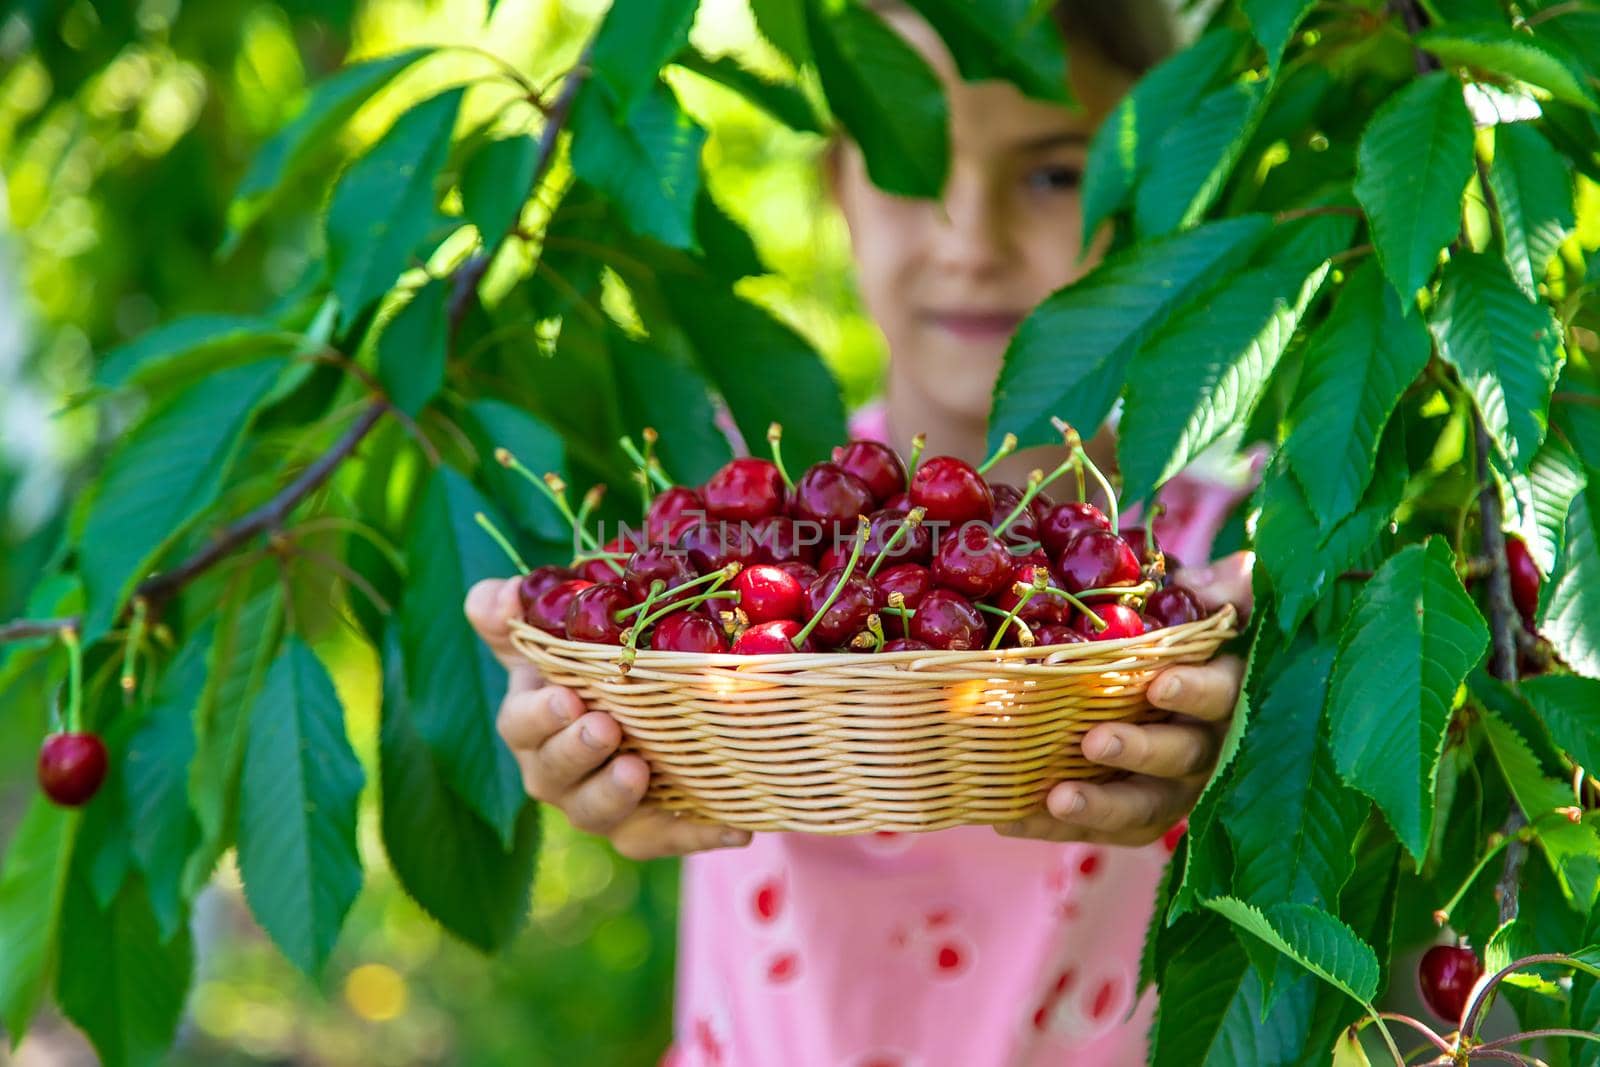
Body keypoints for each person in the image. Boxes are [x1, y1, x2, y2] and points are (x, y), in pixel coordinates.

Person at [466, 4, 1256, 1063]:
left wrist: (1259, 732)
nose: (967, 241)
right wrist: (589, 722)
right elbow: (627, 687)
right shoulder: (749, 540)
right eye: (908, 162)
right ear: (839, 185)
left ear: (1159, 194)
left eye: (1054, 173)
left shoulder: (1211, 573)